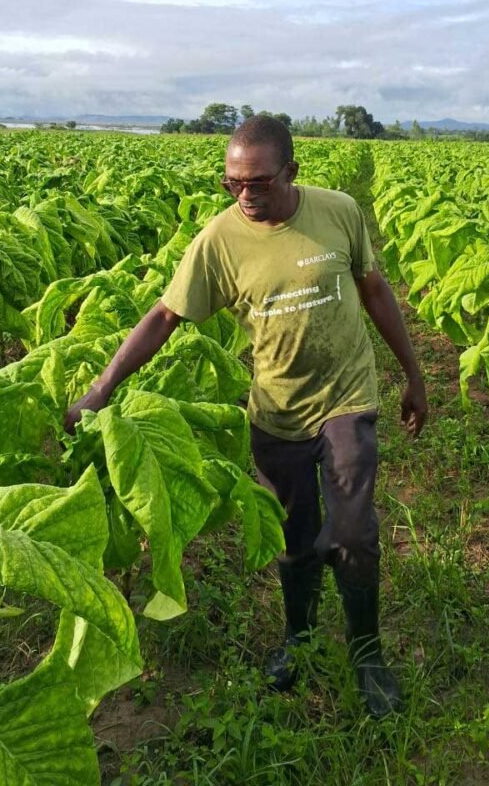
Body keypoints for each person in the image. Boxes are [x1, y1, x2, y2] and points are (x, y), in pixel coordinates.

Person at [64, 115, 428, 718]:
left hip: (347, 397)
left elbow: (375, 291)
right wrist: (100, 389)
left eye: (258, 182)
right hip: (276, 411)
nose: (245, 195)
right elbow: (164, 317)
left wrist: (413, 376)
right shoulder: (219, 241)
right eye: (233, 183)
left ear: (291, 171)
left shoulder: (338, 211)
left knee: (353, 534)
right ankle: (299, 640)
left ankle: (367, 655)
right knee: (293, 538)